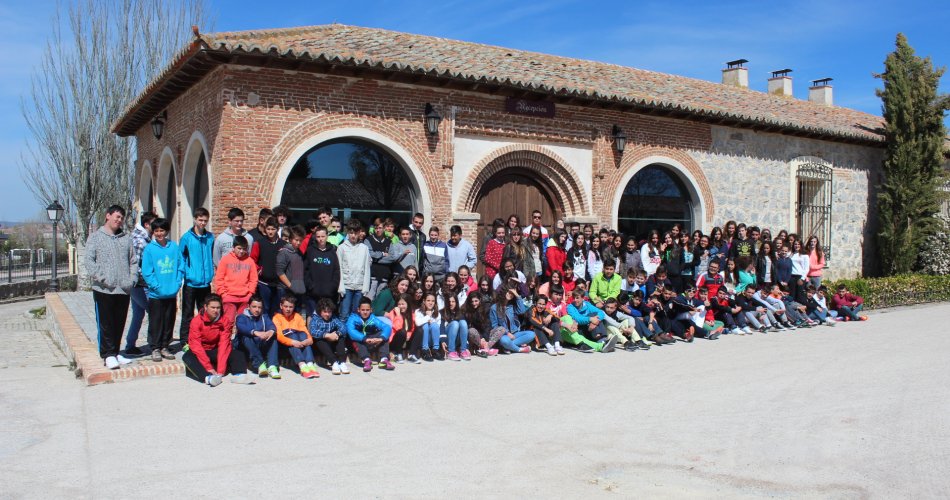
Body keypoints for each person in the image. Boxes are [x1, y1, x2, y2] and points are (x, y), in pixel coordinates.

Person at [86, 205, 136, 369]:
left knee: (119, 321)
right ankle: (107, 354)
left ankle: (115, 352)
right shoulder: (95, 237)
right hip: (104, 289)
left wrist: (131, 280)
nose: (119, 220)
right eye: (117, 216)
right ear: (108, 216)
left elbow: (133, 261)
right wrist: (103, 278)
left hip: (123, 288)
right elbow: (89, 262)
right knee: (106, 323)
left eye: (122, 218)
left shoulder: (126, 238)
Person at [183, 294, 253, 386]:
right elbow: (196, 346)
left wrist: (220, 371)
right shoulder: (196, 321)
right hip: (201, 351)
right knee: (187, 356)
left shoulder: (225, 321)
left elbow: (224, 345)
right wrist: (208, 367)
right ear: (205, 307)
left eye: (218, 308)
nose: (216, 310)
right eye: (213, 307)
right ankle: (208, 378)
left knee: (237, 353)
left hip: (215, 350)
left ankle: (239, 375)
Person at [141, 217, 184, 362]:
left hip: (171, 292)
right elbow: (147, 271)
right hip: (156, 295)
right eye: (157, 231)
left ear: (167, 231)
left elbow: (180, 266)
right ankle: (155, 348)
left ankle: (165, 346)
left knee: (169, 320)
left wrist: (177, 283)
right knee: (156, 322)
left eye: (162, 230)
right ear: (153, 232)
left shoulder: (174, 247)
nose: (159, 233)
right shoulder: (149, 249)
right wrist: (156, 287)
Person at [178, 208, 214, 349]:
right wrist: (185, 273)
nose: (202, 223)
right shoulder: (186, 238)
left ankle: (203, 338)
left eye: (205, 220)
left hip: (205, 282)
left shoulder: (210, 237)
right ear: (195, 219)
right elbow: (181, 257)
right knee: (187, 313)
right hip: (191, 282)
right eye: (200, 220)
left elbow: (212, 255)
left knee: (204, 312)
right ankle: (185, 340)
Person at [125, 210, 155, 356]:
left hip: (138, 284)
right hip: (140, 284)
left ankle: (130, 344)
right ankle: (153, 344)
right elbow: (135, 265)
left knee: (138, 314)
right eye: (154, 224)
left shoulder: (144, 238)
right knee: (153, 311)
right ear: (147, 224)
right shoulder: (140, 241)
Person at [212, 236, 258, 325]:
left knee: (244, 323)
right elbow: (219, 278)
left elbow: (253, 279)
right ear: (233, 248)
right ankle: (225, 339)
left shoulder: (249, 261)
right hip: (229, 296)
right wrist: (223, 294)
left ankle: (241, 339)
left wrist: (250, 293)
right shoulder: (225, 260)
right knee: (228, 322)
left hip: (244, 298)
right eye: (239, 248)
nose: (241, 251)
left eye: (244, 249)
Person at [273, 295, 319, 378]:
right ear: (281, 306)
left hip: (299, 344)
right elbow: (279, 336)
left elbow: (305, 330)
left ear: (294, 307)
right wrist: (292, 342)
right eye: (286, 306)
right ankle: (302, 365)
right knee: (292, 334)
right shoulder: (276, 317)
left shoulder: (297, 316)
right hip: (285, 346)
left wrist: (309, 340)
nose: (288, 309)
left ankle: (310, 364)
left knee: (303, 334)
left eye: (291, 307)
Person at [235, 296, 280, 379]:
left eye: (259, 307)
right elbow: (241, 327)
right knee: (246, 336)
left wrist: (271, 331)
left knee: (273, 337)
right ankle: (260, 364)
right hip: (246, 346)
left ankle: (272, 366)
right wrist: (255, 332)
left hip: (259, 344)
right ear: (248, 306)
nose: (257, 310)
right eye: (254, 307)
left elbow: (271, 325)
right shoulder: (241, 317)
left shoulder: (264, 316)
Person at [347, 297, 395, 372]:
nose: (365, 312)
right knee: (356, 338)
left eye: (367, 310)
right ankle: (367, 360)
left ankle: (384, 360)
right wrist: (365, 338)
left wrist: (381, 338)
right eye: (363, 310)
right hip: (359, 345)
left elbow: (387, 327)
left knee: (383, 335)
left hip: (370, 342)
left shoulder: (373, 318)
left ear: (371, 310)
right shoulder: (353, 318)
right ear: (358, 310)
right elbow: (351, 331)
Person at [249, 216, 286, 314]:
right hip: (264, 283)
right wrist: (259, 270)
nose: (270, 232)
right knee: (265, 308)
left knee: (278, 309)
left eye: (273, 229)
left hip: (279, 283)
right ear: (265, 229)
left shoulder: (284, 244)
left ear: (277, 229)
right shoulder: (259, 243)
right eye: (268, 229)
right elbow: (252, 260)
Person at [303, 226, 341, 316]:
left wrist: (333, 287)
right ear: (315, 237)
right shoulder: (310, 250)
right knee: (312, 315)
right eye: (318, 237)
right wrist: (310, 285)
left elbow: (336, 271)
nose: (320, 239)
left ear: (327, 236)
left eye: (323, 236)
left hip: (329, 293)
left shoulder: (333, 251)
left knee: (327, 316)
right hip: (313, 292)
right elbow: (305, 270)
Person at [337, 219, 371, 316]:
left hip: (359, 287)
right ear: (348, 232)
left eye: (355, 233)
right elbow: (339, 268)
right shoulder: (342, 248)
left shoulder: (364, 248)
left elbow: (367, 268)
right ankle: (342, 331)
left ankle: (354, 331)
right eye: (351, 233)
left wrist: (365, 287)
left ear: (359, 233)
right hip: (346, 286)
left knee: (356, 314)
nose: (353, 235)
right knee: (344, 313)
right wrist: (341, 287)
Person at [309, 298, 351, 375]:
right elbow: (313, 331)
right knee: (319, 340)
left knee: (341, 337)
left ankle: (341, 362)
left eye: (329, 312)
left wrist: (337, 334)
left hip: (332, 341)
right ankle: (334, 362)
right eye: (325, 312)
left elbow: (343, 327)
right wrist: (327, 335)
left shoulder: (333, 318)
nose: (327, 314)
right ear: (320, 311)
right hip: (321, 345)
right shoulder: (315, 319)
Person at [489, 286, 535, 354]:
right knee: (504, 340)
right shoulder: (494, 308)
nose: (511, 294)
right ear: (503, 293)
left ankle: (508, 346)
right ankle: (520, 349)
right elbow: (495, 326)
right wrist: (507, 333)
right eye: (509, 292)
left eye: (512, 293)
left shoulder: (512, 306)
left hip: (515, 333)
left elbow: (522, 311)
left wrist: (517, 295)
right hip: (504, 335)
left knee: (532, 334)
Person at [364, 219, 396, 300]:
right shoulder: (368, 240)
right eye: (376, 228)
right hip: (372, 276)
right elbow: (369, 254)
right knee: (369, 300)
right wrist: (382, 254)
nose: (378, 230)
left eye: (380, 228)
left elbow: (392, 258)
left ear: (384, 228)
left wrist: (375, 260)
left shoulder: (389, 242)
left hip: (384, 276)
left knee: (380, 301)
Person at [275, 225, 306, 307]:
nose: (298, 243)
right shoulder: (284, 252)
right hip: (285, 289)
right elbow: (280, 272)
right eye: (296, 240)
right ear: (290, 239)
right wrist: (291, 286)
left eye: (300, 240)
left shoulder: (300, 253)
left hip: (297, 289)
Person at [464, 293, 499, 357]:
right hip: (476, 336)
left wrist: (484, 338)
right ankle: (484, 348)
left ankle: (486, 347)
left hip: (486, 334)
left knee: (501, 329)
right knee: (471, 330)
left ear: (480, 300)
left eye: (476, 301)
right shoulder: (467, 311)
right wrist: (481, 338)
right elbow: (470, 326)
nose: (474, 303)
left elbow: (488, 326)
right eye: (472, 301)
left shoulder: (486, 309)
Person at [441, 294, 470, 360]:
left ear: (456, 303)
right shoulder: (442, 312)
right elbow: (441, 327)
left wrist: (467, 346)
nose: (451, 303)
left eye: (453, 302)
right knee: (455, 323)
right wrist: (442, 340)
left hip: (457, 339)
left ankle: (463, 350)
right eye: (449, 302)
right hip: (447, 339)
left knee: (463, 322)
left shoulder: (460, 313)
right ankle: (451, 352)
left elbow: (464, 330)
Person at [414, 292, 441, 361]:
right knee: (425, 325)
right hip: (422, 340)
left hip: (432, 339)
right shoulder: (418, 311)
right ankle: (425, 351)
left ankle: (435, 350)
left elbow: (438, 329)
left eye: (433, 301)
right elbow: (417, 323)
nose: (430, 303)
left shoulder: (437, 313)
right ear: (424, 301)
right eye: (428, 300)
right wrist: (428, 316)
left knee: (435, 325)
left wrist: (432, 322)